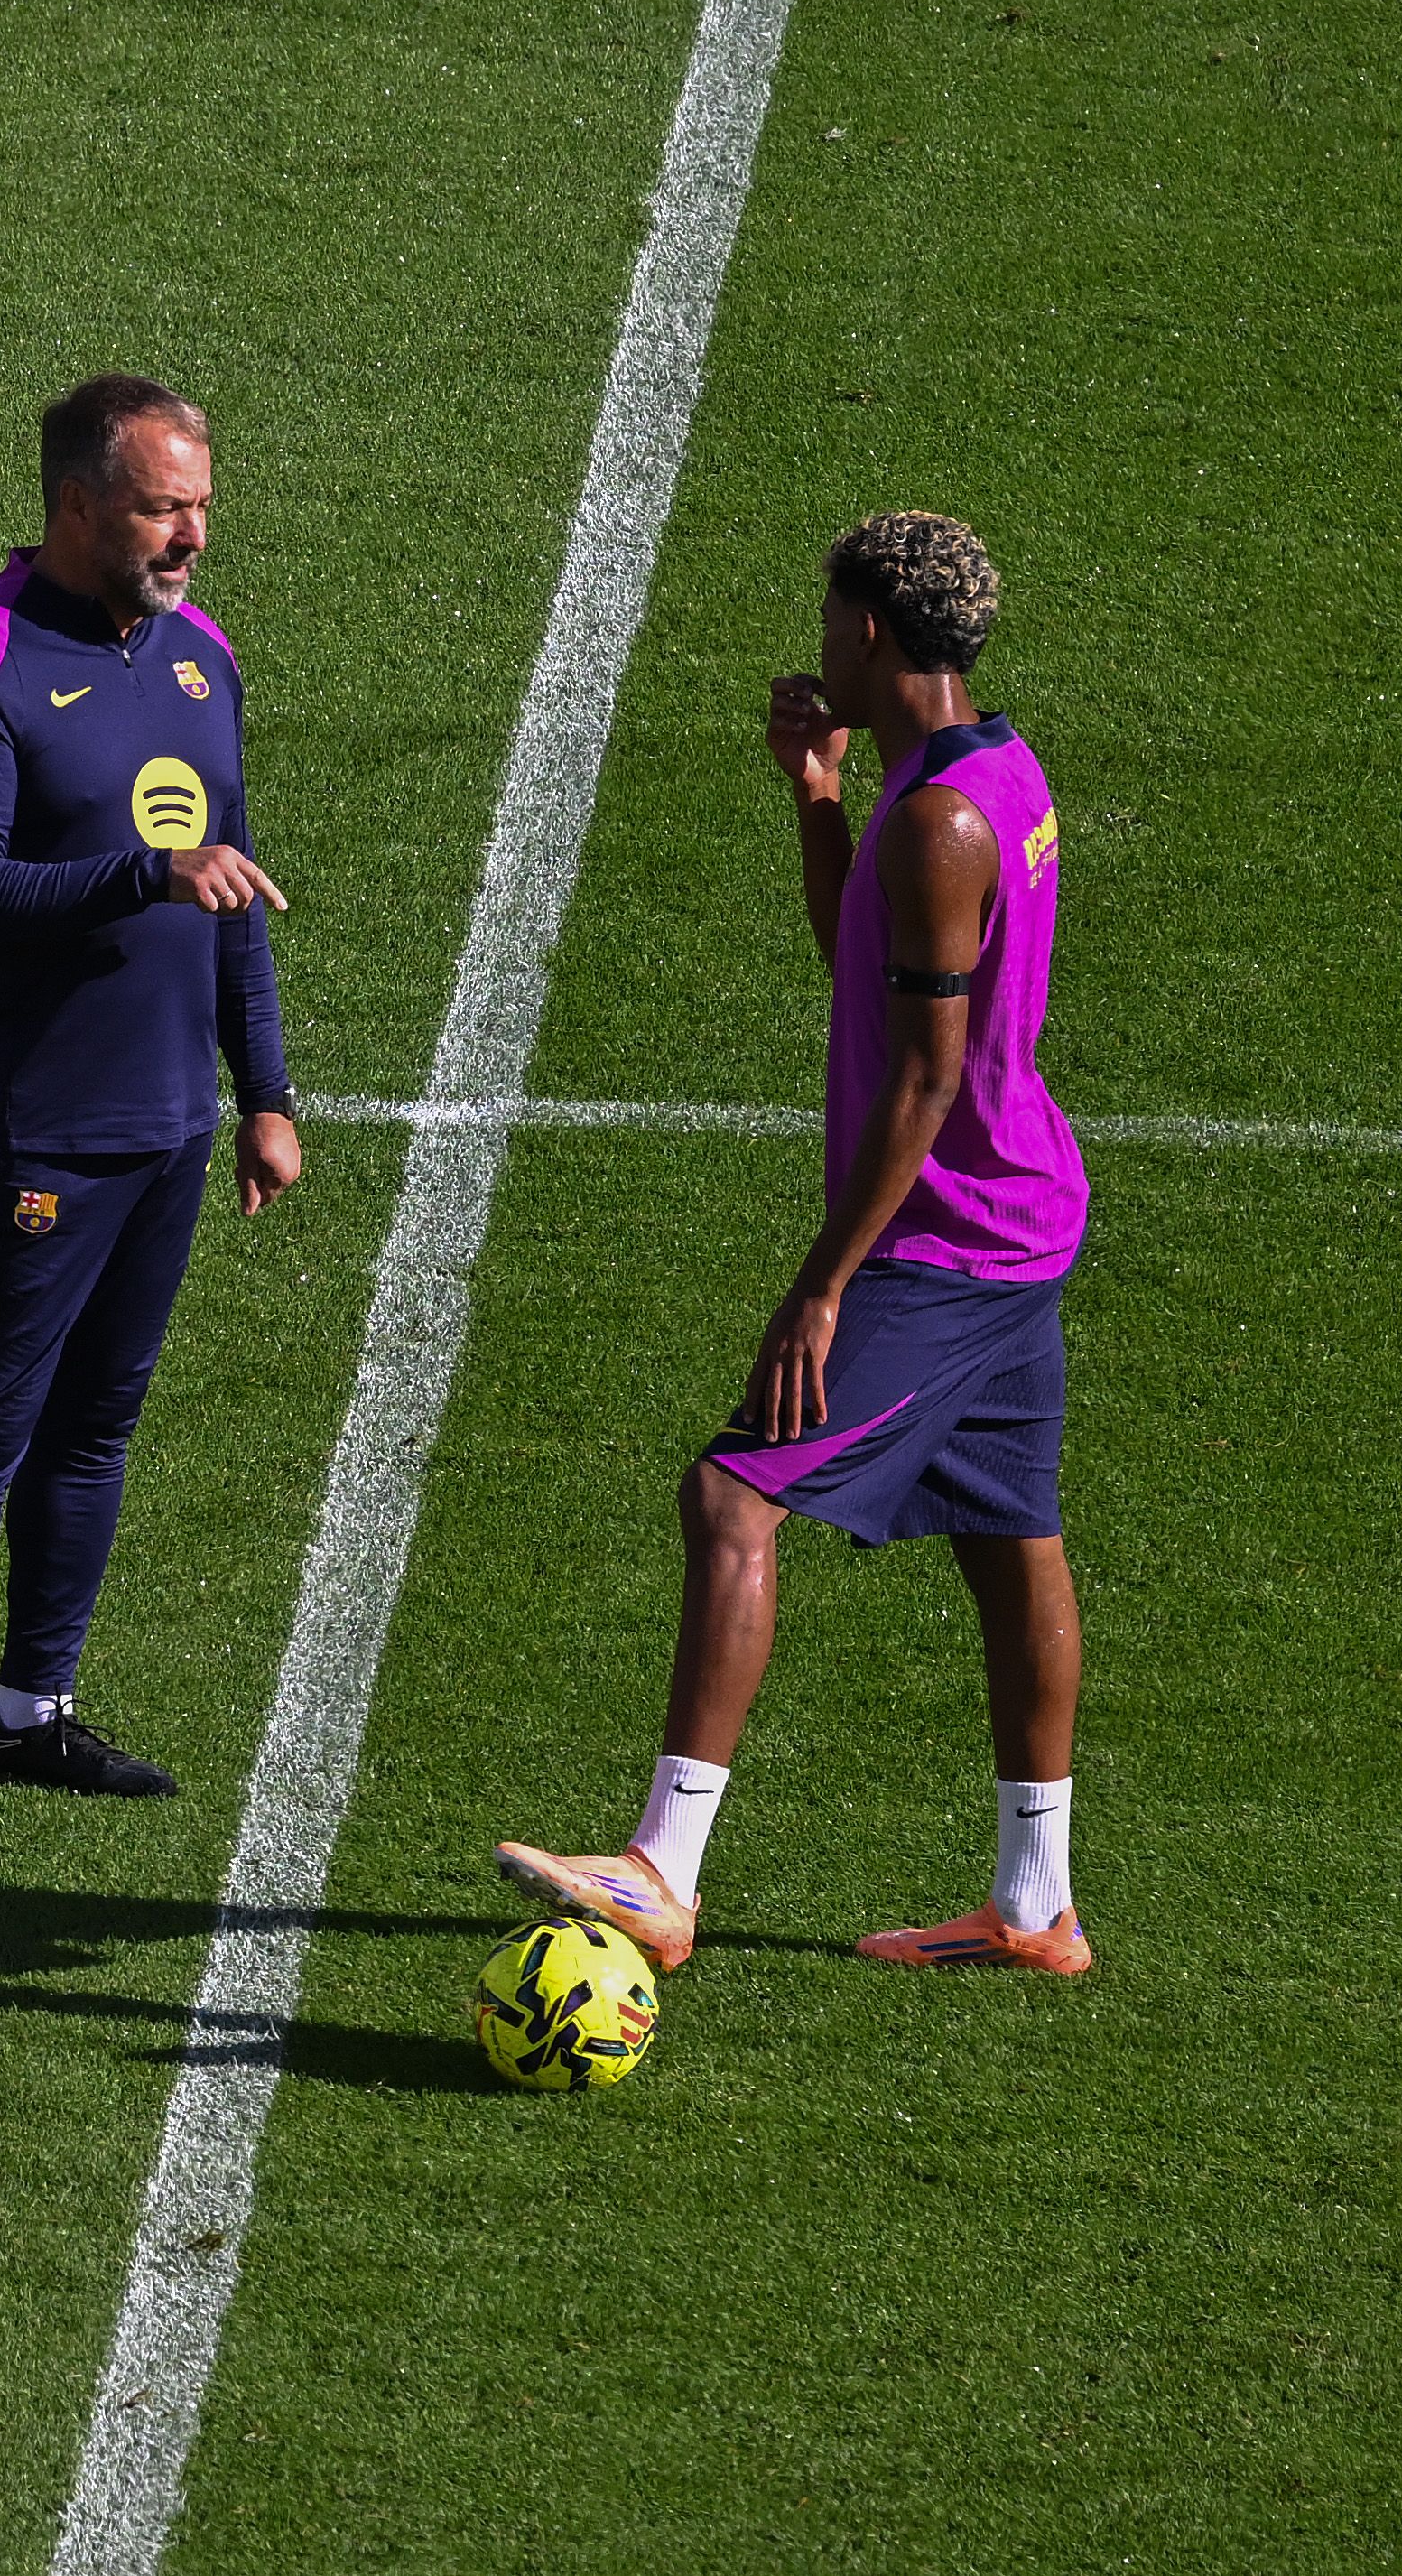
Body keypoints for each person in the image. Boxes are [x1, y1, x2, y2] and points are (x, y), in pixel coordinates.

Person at [496, 510, 1096, 1972]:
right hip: (1022, 1216)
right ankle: (1035, 1907)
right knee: (1011, 1535)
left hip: (946, 1241)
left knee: (731, 1498)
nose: (820, 647)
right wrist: (818, 796)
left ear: (873, 634)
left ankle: (661, 1868)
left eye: (831, 623)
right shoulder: (989, 778)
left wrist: (822, 1287)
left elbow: (926, 1075)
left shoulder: (948, 818)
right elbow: (870, 960)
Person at [0, 374, 305, 1857]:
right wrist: (139, 876)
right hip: (39, 1125)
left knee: (98, 1429)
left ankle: (33, 1708)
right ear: (75, 504)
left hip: (170, 1121)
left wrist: (266, 1091)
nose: (190, 537)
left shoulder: (201, 660)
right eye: (163, 507)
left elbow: (233, 882)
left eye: (201, 509)